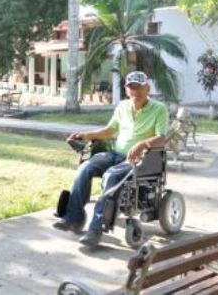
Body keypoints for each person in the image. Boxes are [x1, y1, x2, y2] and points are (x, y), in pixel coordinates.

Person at [53, 71, 169, 248]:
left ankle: (96, 229)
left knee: (110, 177)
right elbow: (109, 131)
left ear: (147, 88)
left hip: (139, 160)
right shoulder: (122, 106)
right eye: (131, 88)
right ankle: (73, 217)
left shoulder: (159, 109)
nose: (135, 91)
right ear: (126, 89)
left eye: (139, 87)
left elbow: (162, 138)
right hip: (115, 154)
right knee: (85, 167)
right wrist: (84, 136)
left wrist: (142, 145)